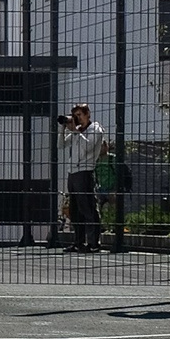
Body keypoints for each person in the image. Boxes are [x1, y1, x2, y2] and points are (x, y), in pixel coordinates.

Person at [56, 104, 109, 254]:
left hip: (85, 171)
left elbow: (88, 147)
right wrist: (63, 128)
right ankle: (78, 242)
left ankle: (93, 243)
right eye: (75, 115)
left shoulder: (95, 129)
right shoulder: (77, 131)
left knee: (88, 207)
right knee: (75, 209)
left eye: (79, 114)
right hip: (72, 172)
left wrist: (76, 132)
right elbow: (60, 145)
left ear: (88, 114)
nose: (77, 118)